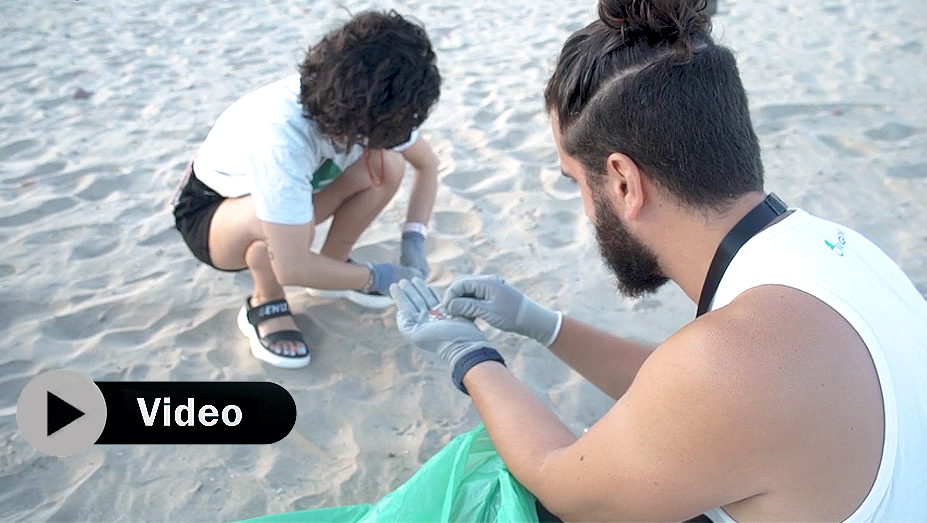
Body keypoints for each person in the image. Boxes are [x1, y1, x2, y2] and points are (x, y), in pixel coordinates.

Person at [389, 0, 927, 521]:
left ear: (623, 182)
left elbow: (564, 489)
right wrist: (540, 323)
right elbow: (678, 400)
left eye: (577, 181)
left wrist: (469, 356)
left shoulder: (734, 363)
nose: (586, 209)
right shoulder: (835, 249)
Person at [173, 10, 441, 369]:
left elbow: (427, 164)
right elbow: (292, 267)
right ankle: (265, 300)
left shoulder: (373, 102)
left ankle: (333, 268)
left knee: (386, 165)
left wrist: (414, 242)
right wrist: (377, 276)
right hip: (211, 215)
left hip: (288, 189)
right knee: (271, 234)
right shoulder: (280, 135)